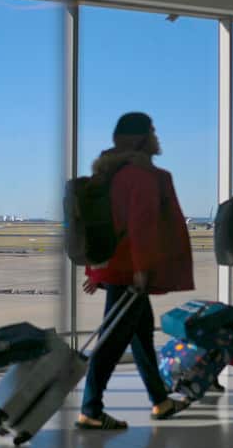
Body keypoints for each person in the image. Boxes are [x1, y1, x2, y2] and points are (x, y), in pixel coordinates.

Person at [77, 112, 195, 430]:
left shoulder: (111, 174)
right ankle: (90, 408)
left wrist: (96, 270)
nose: (157, 136)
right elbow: (140, 226)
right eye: (151, 131)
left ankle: (160, 401)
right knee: (111, 343)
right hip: (130, 271)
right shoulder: (140, 176)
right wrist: (143, 269)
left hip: (119, 268)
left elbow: (104, 226)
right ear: (137, 138)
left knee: (141, 335)